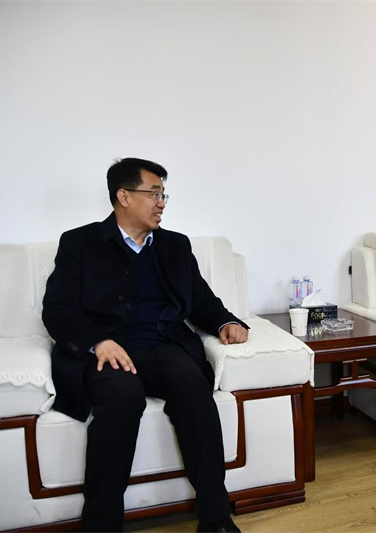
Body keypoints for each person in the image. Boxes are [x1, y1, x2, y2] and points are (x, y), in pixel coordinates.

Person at [42, 158, 248, 532]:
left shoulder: (174, 245)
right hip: (108, 353)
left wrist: (227, 322)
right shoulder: (79, 243)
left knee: (192, 385)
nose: (162, 203)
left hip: (161, 346)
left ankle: (215, 518)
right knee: (122, 397)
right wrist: (97, 342)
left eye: (163, 194)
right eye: (154, 193)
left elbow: (201, 299)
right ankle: (101, 527)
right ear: (123, 196)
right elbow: (57, 311)